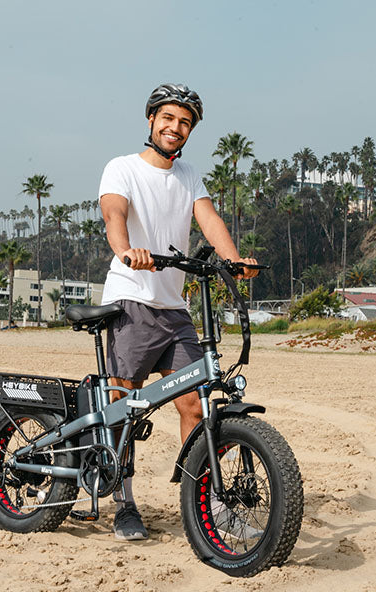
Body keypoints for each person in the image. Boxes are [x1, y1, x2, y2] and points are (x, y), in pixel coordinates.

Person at [98, 83, 257, 541]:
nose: (175, 127)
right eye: (168, 118)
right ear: (151, 120)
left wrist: (233, 259)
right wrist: (127, 251)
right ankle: (124, 503)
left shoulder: (188, 175)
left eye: (185, 122)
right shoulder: (121, 167)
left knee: (195, 402)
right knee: (123, 403)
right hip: (132, 297)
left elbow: (209, 219)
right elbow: (114, 213)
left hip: (175, 307)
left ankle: (206, 503)